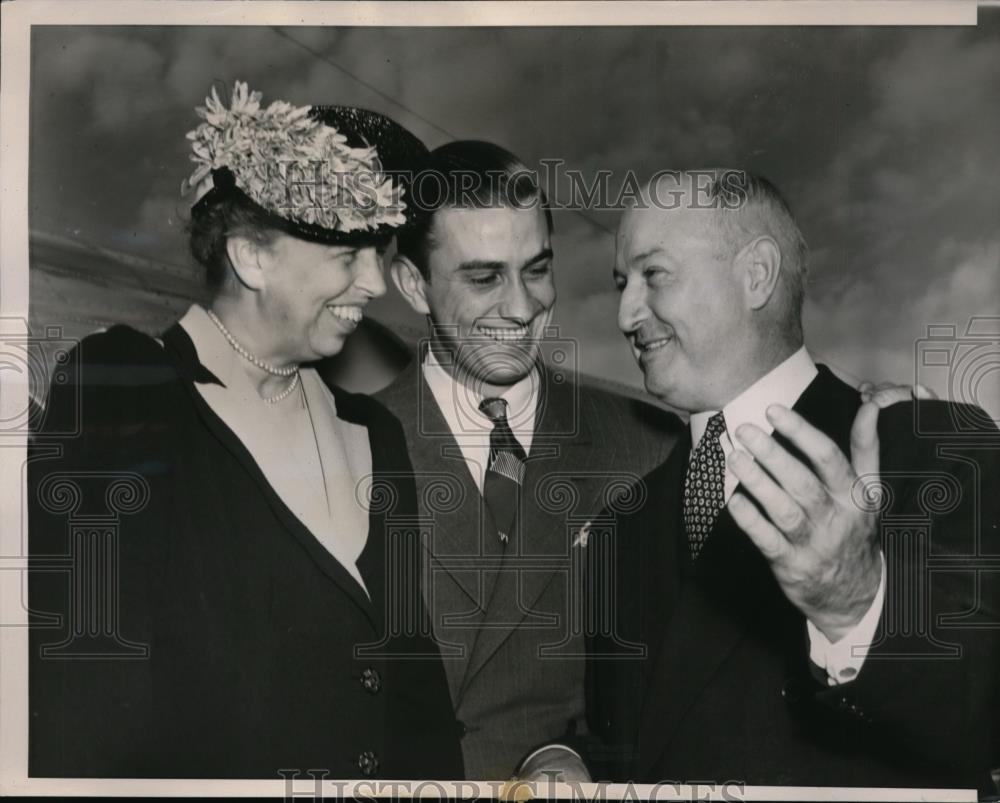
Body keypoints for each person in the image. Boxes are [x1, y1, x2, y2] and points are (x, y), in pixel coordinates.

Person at [28, 81, 463, 780]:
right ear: (252, 254)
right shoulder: (120, 387)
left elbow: (415, 693)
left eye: (380, 254)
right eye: (349, 254)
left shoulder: (374, 432)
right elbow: (83, 700)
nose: (375, 284)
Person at [585, 169, 1000, 792]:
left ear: (756, 274)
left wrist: (857, 603)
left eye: (653, 274)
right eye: (621, 283)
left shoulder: (932, 448)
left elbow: (983, 708)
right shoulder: (624, 522)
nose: (625, 313)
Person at [373, 141, 682, 780]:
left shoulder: (647, 447)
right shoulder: (341, 443)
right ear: (412, 284)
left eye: (536, 270)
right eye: (484, 278)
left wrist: (577, 757)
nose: (521, 307)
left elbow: (675, 705)